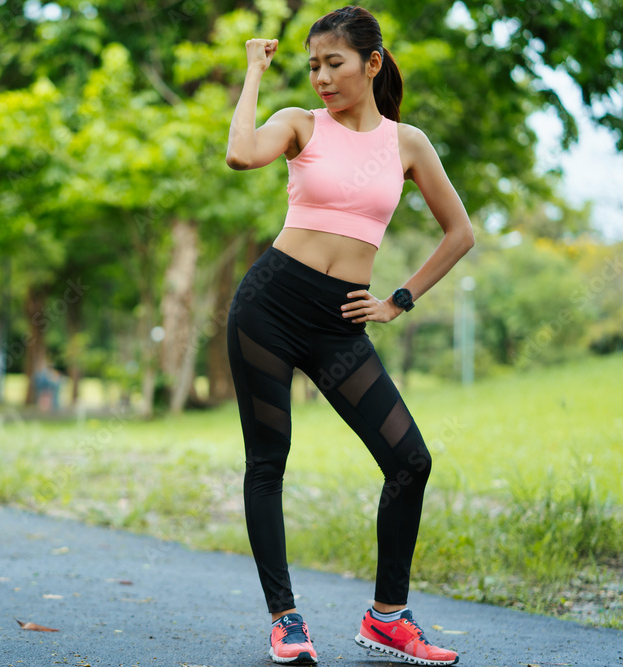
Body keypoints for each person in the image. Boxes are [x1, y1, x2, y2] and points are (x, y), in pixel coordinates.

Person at [225, 6, 474, 666]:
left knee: (410, 460)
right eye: (312, 66)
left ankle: (387, 616)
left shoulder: (407, 142)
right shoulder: (300, 124)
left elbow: (461, 233)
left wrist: (400, 298)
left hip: (341, 320)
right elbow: (239, 153)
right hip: (270, 305)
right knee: (267, 459)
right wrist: (254, 70)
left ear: (372, 62)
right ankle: (286, 619)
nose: (321, 78)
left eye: (333, 63)